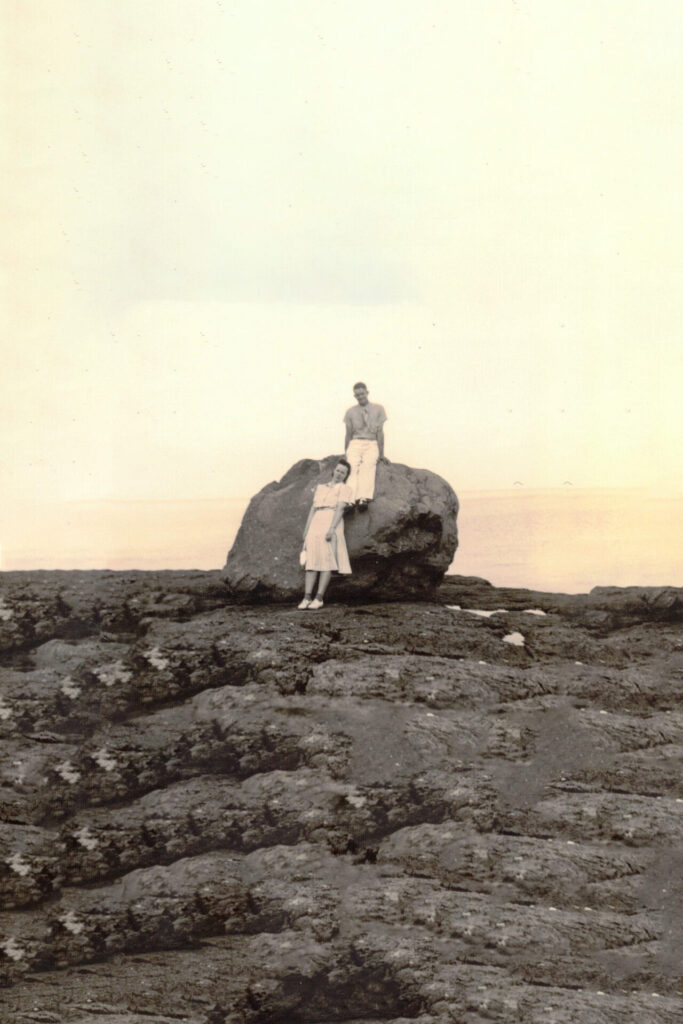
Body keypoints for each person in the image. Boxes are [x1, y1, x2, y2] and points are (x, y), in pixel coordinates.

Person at [298, 458, 354, 609]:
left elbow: (340, 509)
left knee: (327, 560)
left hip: (331, 521)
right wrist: (306, 530)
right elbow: (313, 509)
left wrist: (331, 529)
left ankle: (319, 598)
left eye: (343, 472)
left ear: (346, 475)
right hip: (316, 522)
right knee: (311, 561)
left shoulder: (345, 489)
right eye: (338, 470)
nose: (339, 474)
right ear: (333, 471)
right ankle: (307, 597)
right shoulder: (321, 487)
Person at [343, 381, 388, 509]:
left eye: (362, 393)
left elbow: (380, 432)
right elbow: (348, 434)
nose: (360, 397)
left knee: (368, 466)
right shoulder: (350, 412)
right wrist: (346, 452)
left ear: (367, 392)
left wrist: (382, 453)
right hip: (356, 443)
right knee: (352, 467)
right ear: (354, 396)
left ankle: (363, 498)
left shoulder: (378, 409)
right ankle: (350, 500)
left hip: (371, 442)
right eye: (357, 395)